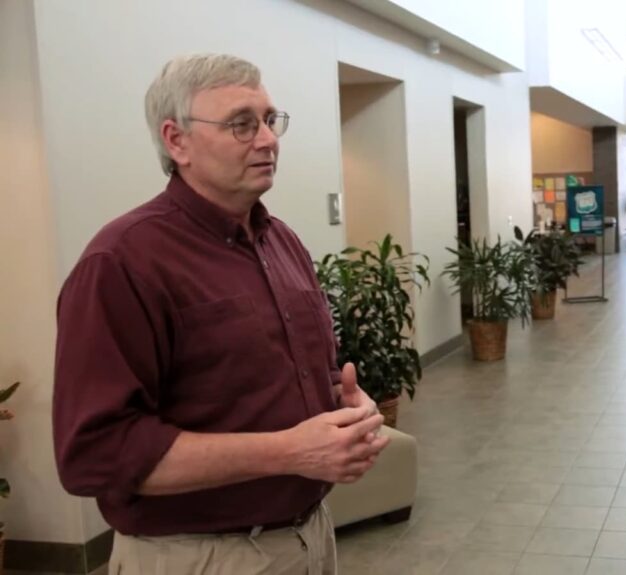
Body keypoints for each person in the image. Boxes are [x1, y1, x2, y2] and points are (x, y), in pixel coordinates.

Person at [52, 54, 389, 574]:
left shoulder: (282, 242)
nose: (268, 139)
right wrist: (288, 452)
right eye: (241, 123)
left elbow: (290, 381)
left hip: (310, 537)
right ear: (176, 140)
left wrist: (349, 412)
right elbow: (96, 454)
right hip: (199, 556)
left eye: (270, 120)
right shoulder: (122, 262)